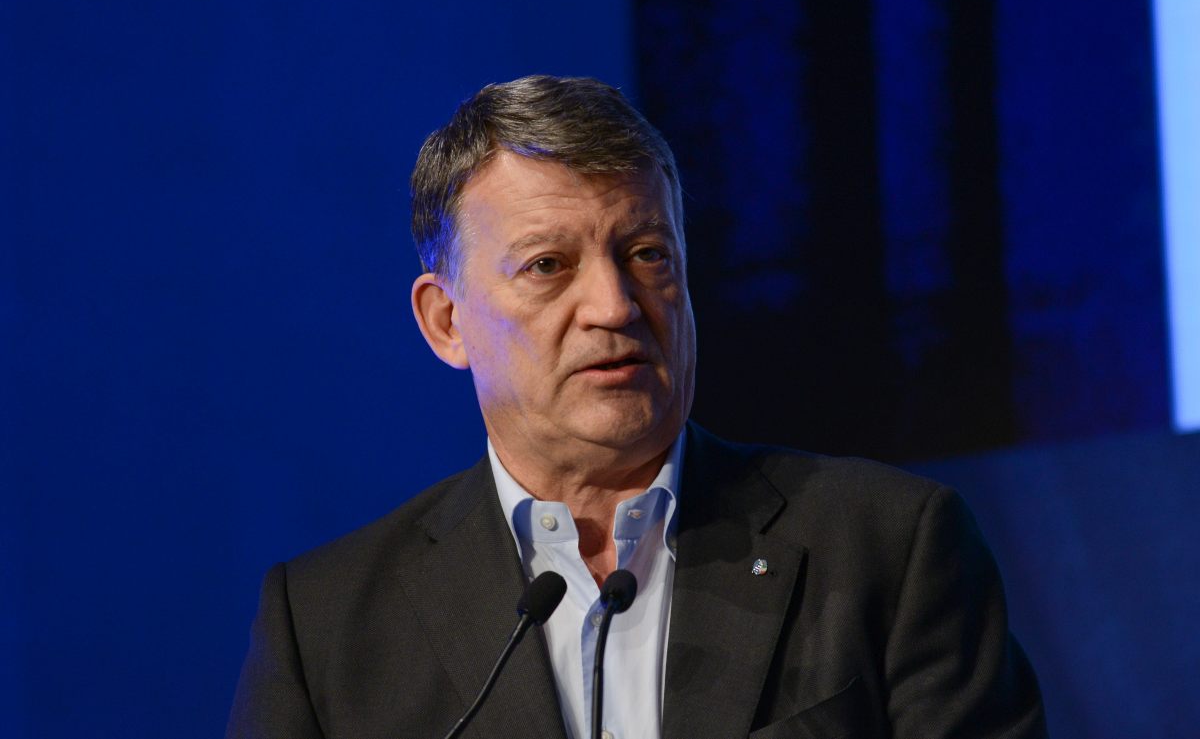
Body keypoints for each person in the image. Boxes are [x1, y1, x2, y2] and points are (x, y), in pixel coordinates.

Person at [226, 75, 1046, 739]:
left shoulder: (887, 547)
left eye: (647, 254)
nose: (615, 305)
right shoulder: (326, 625)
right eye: (549, 265)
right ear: (446, 321)